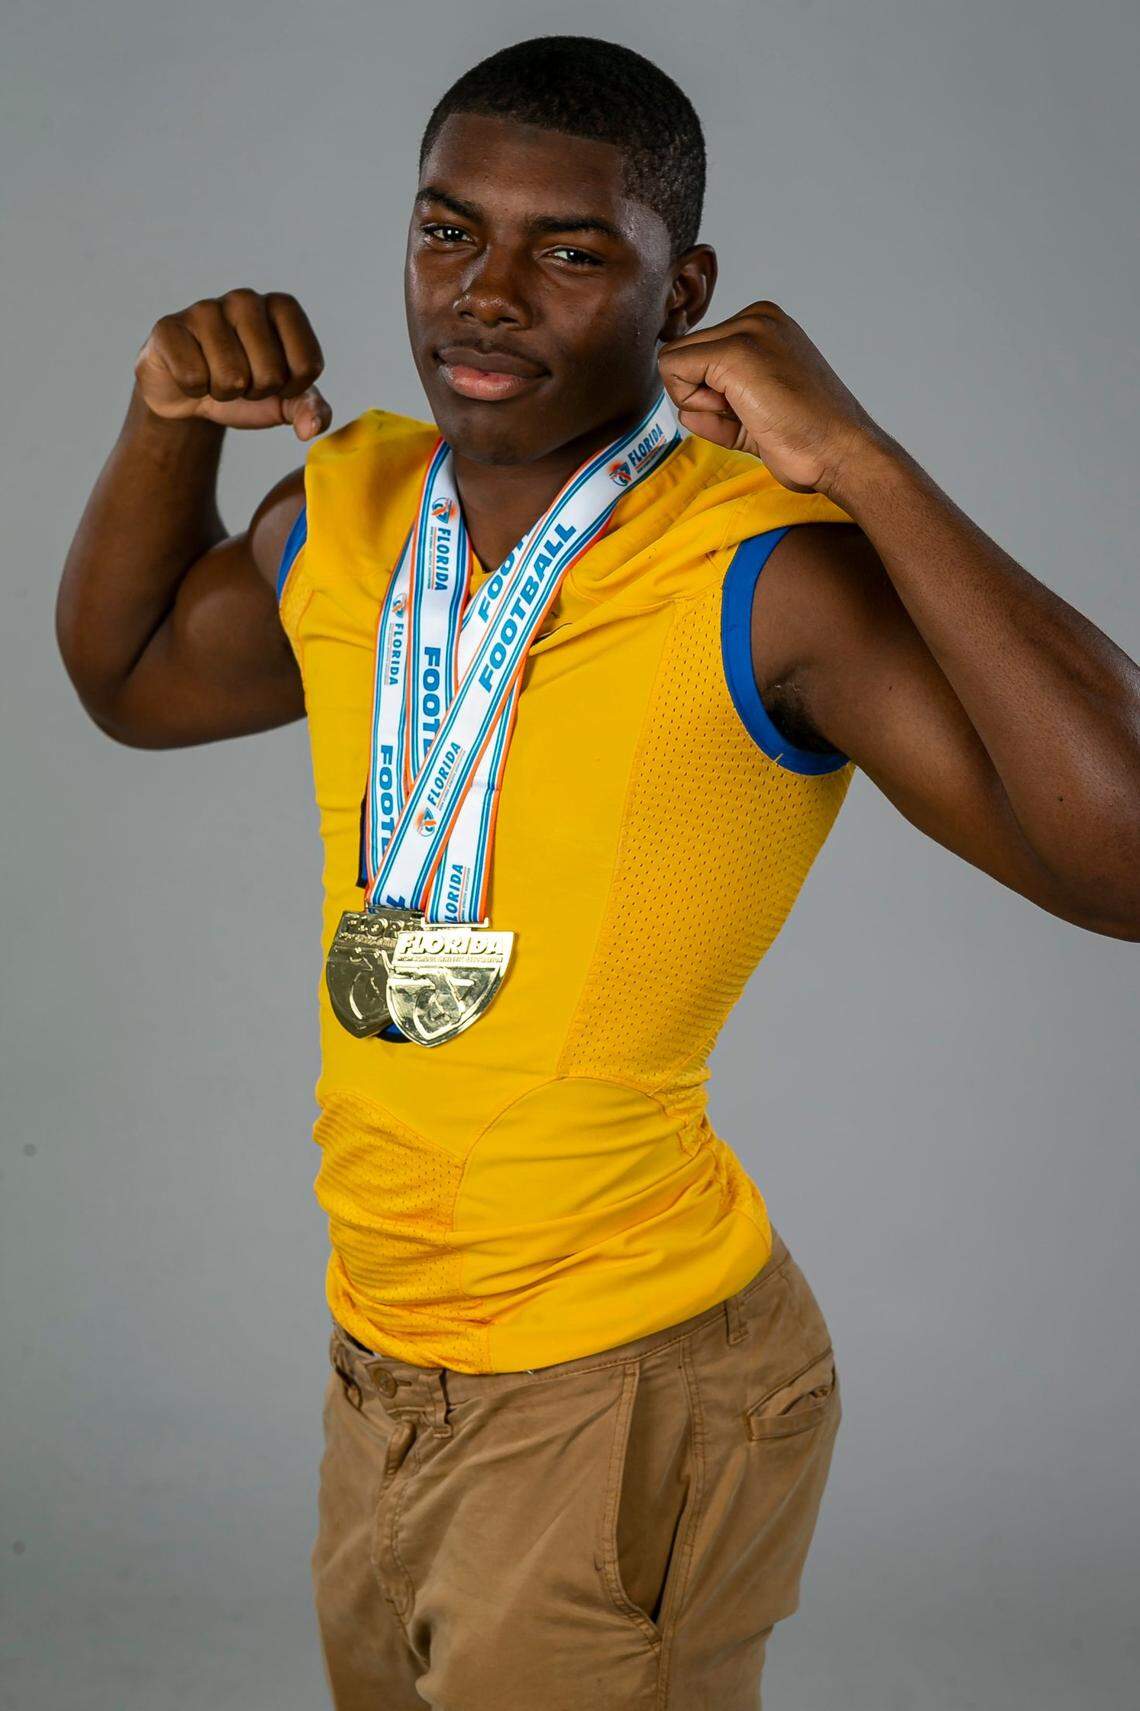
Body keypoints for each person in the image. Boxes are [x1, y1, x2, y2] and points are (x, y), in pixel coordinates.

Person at [55, 31, 1139, 1711]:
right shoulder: (346, 504)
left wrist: (859, 459)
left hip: (622, 1381)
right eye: (446, 232)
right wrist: (161, 425)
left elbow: (1124, 857)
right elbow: (128, 682)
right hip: (383, 1366)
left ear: (680, 286)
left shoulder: (768, 572)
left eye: (569, 252)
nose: (486, 294)